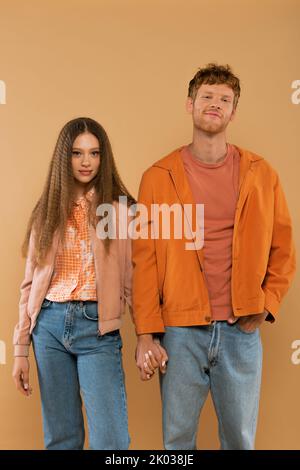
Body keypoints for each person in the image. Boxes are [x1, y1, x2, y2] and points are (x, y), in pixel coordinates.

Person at [132, 63, 296, 449]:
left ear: (233, 112)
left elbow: (284, 247)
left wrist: (267, 302)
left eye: (225, 99)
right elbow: (144, 260)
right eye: (207, 96)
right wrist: (145, 333)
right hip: (179, 331)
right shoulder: (158, 176)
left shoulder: (262, 174)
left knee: (240, 440)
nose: (215, 104)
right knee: (176, 441)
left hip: (242, 330)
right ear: (190, 104)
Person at [12, 117, 134, 450]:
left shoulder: (121, 210)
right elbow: (29, 285)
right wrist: (21, 348)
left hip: (98, 329)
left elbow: (132, 279)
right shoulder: (47, 210)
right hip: (48, 326)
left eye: (94, 153)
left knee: (111, 443)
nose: (86, 162)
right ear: (63, 158)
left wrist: (149, 335)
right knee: (62, 439)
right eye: (77, 153)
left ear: (103, 158)